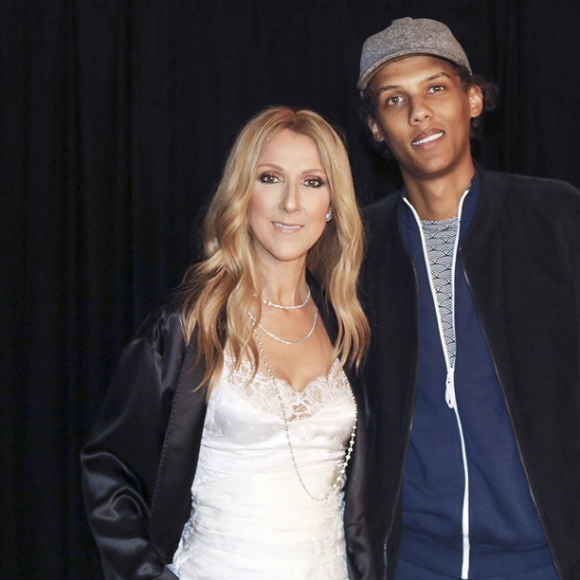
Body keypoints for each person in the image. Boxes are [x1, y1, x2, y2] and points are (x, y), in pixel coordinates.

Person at [81, 106, 373, 580]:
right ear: (243, 192)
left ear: (334, 205)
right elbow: (110, 468)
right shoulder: (187, 325)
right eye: (271, 178)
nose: (291, 203)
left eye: (313, 182)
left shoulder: (347, 328)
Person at [357, 16, 580, 580]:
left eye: (436, 88)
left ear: (473, 99)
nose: (419, 112)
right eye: (394, 99)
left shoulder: (556, 217)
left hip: (547, 557)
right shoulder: (355, 250)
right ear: (377, 128)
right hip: (411, 561)